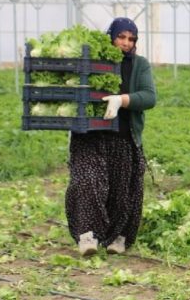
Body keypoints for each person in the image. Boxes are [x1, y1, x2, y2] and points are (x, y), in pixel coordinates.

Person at [65, 17, 157, 256]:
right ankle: (88, 236)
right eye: (121, 37)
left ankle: (118, 237)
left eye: (131, 39)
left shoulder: (139, 65)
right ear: (111, 36)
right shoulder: (91, 60)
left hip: (123, 137)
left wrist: (122, 100)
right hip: (90, 136)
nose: (126, 43)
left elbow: (149, 97)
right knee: (86, 182)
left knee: (121, 190)